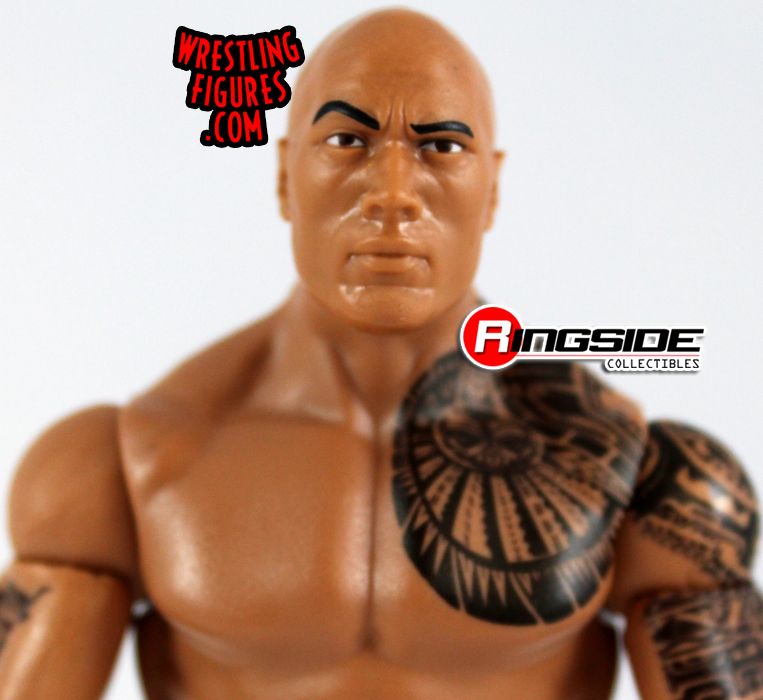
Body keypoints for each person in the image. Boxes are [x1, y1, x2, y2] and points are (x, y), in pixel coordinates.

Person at [0, 8, 760, 699]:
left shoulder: (640, 476)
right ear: (284, 176)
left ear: (492, 189)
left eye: (440, 146)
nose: (392, 192)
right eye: (346, 142)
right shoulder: (123, 465)